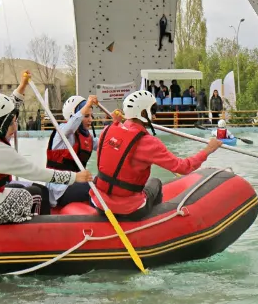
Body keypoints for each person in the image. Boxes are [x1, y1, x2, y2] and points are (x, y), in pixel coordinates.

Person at [0, 76, 91, 224]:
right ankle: (43, 230)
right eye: (11, 124)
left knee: (27, 187)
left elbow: (8, 106)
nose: (15, 128)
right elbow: (35, 172)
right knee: (37, 194)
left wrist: (22, 86)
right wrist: (74, 177)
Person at [92, 90, 221, 220]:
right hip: (129, 209)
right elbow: (183, 167)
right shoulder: (149, 143)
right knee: (155, 182)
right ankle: (156, 220)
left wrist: (116, 122)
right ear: (143, 113)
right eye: (153, 110)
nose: (154, 114)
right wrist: (208, 150)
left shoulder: (107, 130)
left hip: (100, 203)